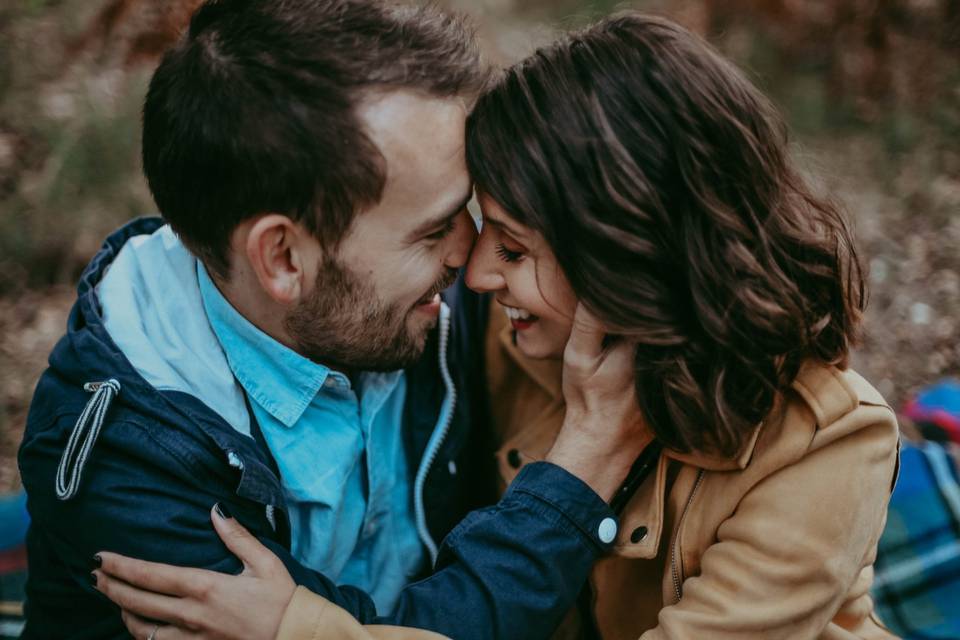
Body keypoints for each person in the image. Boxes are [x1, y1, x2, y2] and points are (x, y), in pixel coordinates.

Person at [92, 11, 902, 640]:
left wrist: (294, 626)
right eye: (480, 230)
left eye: (512, 248)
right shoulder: (504, 347)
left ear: (630, 257)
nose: (475, 276)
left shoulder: (827, 446)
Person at [17, 1, 649, 638]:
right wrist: (581, 467)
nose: (472, 259)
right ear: (284, 257)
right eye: (432, 232)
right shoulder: (137, 471)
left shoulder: (399, 303)